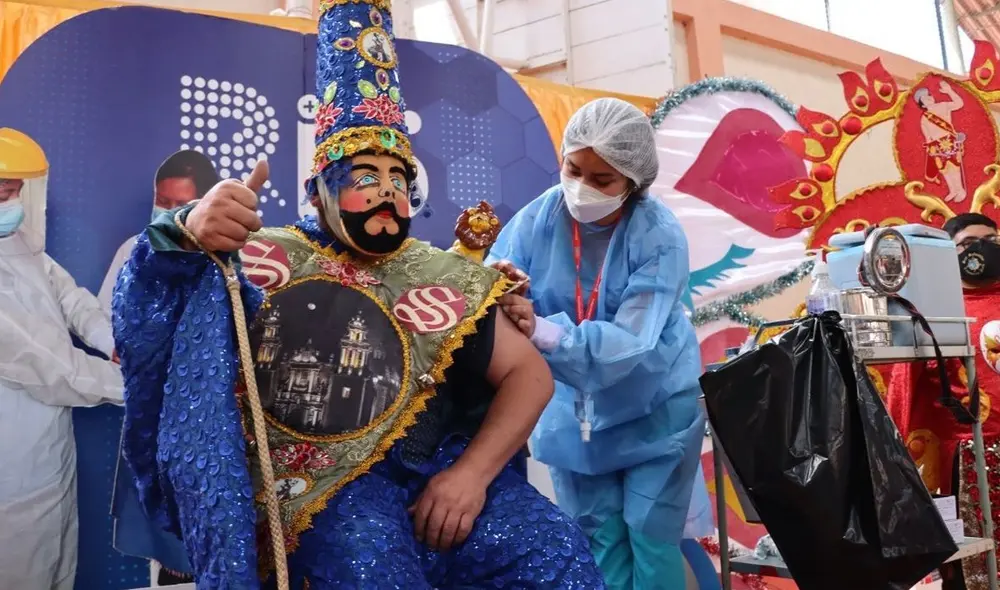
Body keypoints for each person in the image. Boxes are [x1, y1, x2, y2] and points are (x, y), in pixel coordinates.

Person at [111, 1, 604, 588]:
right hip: (321, 495)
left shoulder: (439, 272)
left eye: (399, 179)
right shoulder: (258, 255)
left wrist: (471, 475)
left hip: (438, 474)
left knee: (556, 553)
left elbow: (531, 375)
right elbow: (143, 316)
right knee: (371, 568)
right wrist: (186, 232)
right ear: (316, 189)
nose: (388, 194)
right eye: (365, 177)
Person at [486, 97, 707, 590]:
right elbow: (490, 276)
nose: (582, 188)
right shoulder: (539, 218)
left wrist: (541, 328)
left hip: (655, 414)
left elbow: (632, 341)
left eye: (602, 180)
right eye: (573, 168)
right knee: (597, 542)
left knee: (652, 541)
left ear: (634, 182)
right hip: (573, 418)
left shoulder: (659, 236)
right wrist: (502, 285)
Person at [0, 127, 124, 590]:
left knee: (57, 567)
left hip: (49, 453)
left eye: (15, 191)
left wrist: (113, 340)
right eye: (1, 190)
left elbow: (71, 298)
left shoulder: (21, 243)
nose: (10, 202)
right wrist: (142, 386)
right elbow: (52, 367)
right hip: (9, 473)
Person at [887, 212, 1000, 590]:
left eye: (992, 239)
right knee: (970, 568)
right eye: (968, 243)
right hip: (966, 462)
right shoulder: (928, 312)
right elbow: (904, 394)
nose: (982, 249)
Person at [97, 149, 217, 310]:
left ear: (204, 205)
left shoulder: (222, 259)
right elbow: (104, 316)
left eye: (181, 204)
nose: (169, 212)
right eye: (163, 201)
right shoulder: (133, 249)